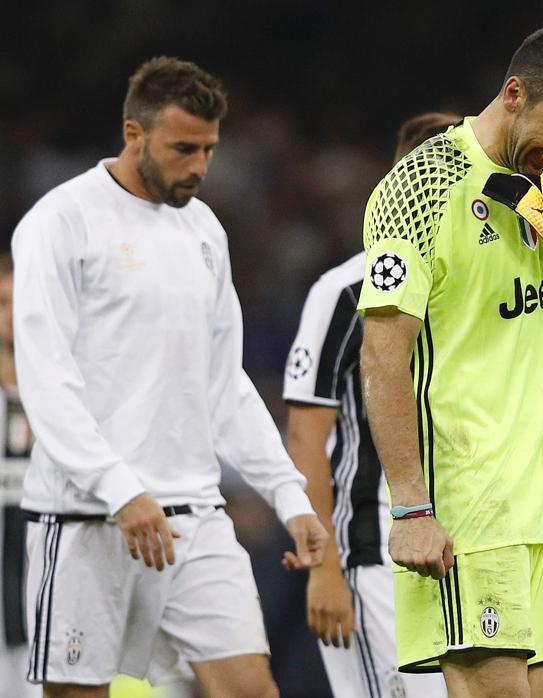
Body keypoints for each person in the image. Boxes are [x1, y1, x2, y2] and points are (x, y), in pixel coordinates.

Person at [356, 19, 543, 698]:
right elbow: (382, 360)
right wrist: (411, 508)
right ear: (515, 94)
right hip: (468, 518)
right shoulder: (422, 189)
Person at [11, 56, 327, 698]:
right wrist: (119, 489)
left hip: (193, 513)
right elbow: (45, 376)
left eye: (209, 149)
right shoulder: (61, 221)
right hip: (86, 515)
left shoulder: (204, 228)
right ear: (134, 134)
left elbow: (225, 382)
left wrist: (288, 494)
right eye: (183, 148)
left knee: (251, 690)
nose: (200, 167)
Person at [283, 111, 459, 698]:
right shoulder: (347, 292)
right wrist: (324, 568)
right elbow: (306, 437)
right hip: (373, 548)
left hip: (471, 540)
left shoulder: (477, 288)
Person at [0, 255, 39, 698]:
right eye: (2, 302)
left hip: (41, 603)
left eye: (20, 302)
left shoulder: (56, 399)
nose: (11, 315)